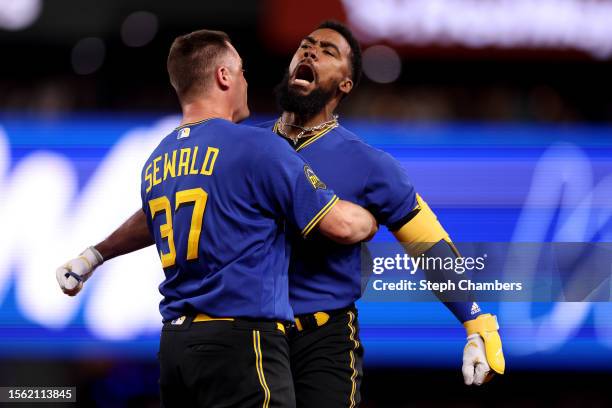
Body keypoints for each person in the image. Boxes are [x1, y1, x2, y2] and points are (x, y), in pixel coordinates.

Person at [57, 21, 505, 408]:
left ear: (345, 84)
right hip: (248, 338)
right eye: (305, 45)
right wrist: (98, 252)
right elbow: (162, 207)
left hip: (321, 342)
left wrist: (475, 320)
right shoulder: (246, 144)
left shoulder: (369, 164)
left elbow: (428, 241)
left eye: (328, 51)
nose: (310, 50)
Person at [56, 29, 378, 408]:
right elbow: (341, 226)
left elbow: (151, 216)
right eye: (241, 71)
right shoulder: (256, 147)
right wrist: (373, 217)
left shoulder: (157, 161)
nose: (246, 80)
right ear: (224, 76)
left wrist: (95, 255)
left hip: (177, 349)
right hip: (242, 343)